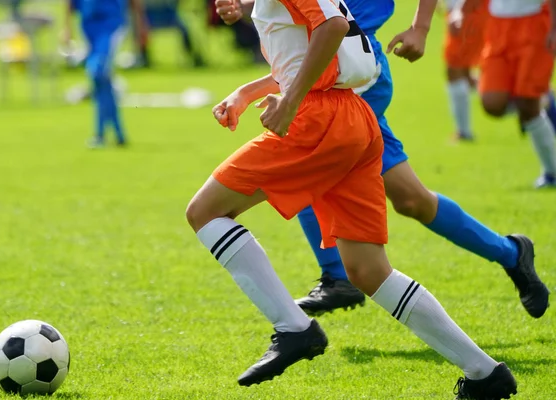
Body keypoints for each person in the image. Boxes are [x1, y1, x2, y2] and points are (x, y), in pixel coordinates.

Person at [188, 0, 518, 397]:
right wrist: (248, 87)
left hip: (318, 117)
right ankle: (485, 373)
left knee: (205, 213)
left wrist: (290, 101)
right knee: (368, 271)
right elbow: (319, 43)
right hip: (353, 117)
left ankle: (294, 328)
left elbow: (332, 28)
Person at [216, 0, 550, 319]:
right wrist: (246, 8)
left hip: (356, 75)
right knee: (411, 199)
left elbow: (332, 28)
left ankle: (338, 278)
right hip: (330, 73)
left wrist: (420, 28)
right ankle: (510, 253)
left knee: (303, 164)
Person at [453, 0, 556, 187]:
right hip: (498, 24)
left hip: (535, 22)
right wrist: (460, 11)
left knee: (528, 105)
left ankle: (552, 173)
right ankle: (543, 100)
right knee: (492, 104)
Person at [63, 0, 146, 148]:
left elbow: (134, 3)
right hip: (88, 24)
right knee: (101, 80)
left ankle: (101, 135)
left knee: (98, 72)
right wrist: (67, 28)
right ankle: (117, 134)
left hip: (111, 23)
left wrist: (140, 26)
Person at [443, 0, 488, 141]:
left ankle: (532, 98)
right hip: (464, 12)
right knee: (464, 74)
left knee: (455, 70)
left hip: (467, 12)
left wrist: (459, 10)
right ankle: (529, 97)